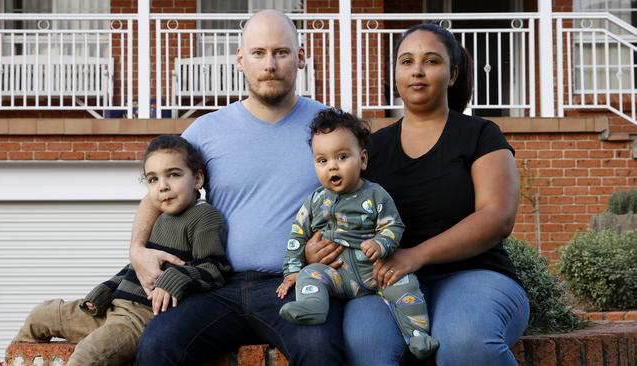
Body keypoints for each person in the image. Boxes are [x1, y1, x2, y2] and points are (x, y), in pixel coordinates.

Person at [306, 23, 530, 365]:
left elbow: (497, 216)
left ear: (453, 73)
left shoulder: (480, 134)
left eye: (431, 61)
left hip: (475, 274)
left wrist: (416, 255)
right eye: (406, 61)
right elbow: (334, 208)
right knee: (365, 343)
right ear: (395, 72)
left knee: (463, 341)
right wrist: (313, 248)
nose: (417, 71)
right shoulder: (370, 149)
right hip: (383, 281)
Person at [131, 10, 345, 366]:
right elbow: (158, 194)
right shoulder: (204, 131)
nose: (270, 64)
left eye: (281, 52)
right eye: (259, 53)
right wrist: (137, 249)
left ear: (301, 56)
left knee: (321, 349)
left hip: (294, 282)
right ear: (240, 60)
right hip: (216, 285)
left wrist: (332, 241)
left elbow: (360, 198)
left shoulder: (331, 128)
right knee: (157, 346)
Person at [13, 135, 230, 366]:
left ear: (197, 178)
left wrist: (176, 278)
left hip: (139, 319)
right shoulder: (160, 217)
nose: (163, 186)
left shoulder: (205, 216)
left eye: (173, 175)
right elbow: (137, 267)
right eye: (153, 179)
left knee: (87, 356)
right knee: (43, 315)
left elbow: (215, 268)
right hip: (110, 311)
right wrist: (107, 288)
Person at [276, 108, 439, 360]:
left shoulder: (375, 195)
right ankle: (313, 306)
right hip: (337, 274)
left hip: (375, 271)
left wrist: (381, 243)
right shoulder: (314, 201)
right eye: (322, 160)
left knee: (406, 284)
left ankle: (418, 336)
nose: (332, 166)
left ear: (362, 159)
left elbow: (393, 226)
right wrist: (293, 270)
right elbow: (297, 235)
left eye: (342, 157)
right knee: (310, 275)